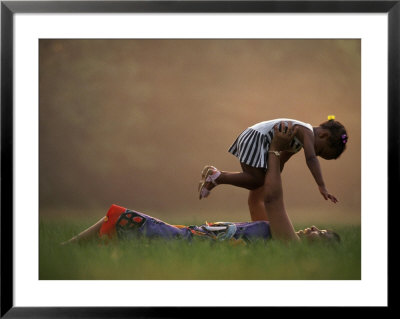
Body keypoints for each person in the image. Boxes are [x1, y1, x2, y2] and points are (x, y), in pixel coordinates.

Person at [61, 123, 340, 245]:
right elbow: (257, 199)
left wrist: (276, 151)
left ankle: (66, 249)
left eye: (321, 234)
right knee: (121, 221)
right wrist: (277, 154)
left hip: (190, 242)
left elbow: (272, 200)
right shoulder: (278, 233)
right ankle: (67, 247)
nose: (314, 228)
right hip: (192, 235)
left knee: (123, 219)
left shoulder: (288, 243)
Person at [198, 116, 348, 214]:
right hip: (256, 138)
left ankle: (215, 177)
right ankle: (217, 176)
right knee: (256, 180)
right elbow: (310, 159)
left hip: (256, 139)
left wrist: (273, 178)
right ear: (323, 135)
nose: (315, 153)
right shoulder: (306, 131)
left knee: (259, 180)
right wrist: (321, 185)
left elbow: (279, 163)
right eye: (319, 150)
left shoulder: (297, 141)